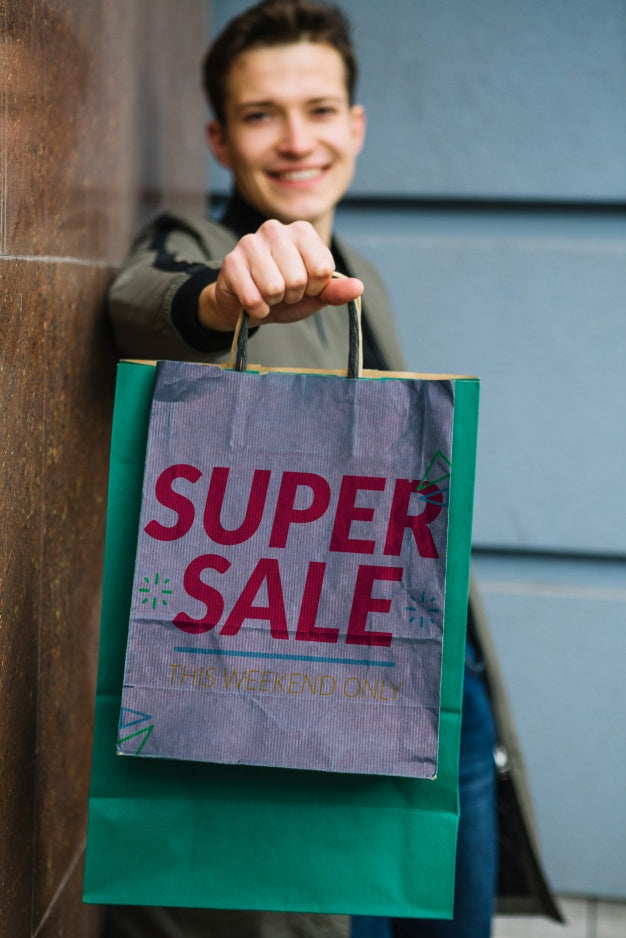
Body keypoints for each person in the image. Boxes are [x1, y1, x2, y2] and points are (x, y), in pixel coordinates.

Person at [104, 2, 562, 936]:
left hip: (445, 686)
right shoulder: (198, 244)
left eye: (318, 109)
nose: (296, 139)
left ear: (355, 126)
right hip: (320, 701)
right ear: (219, 140)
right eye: (260, 114)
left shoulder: (365, 276)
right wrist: (223, 297)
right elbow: (140, 298)